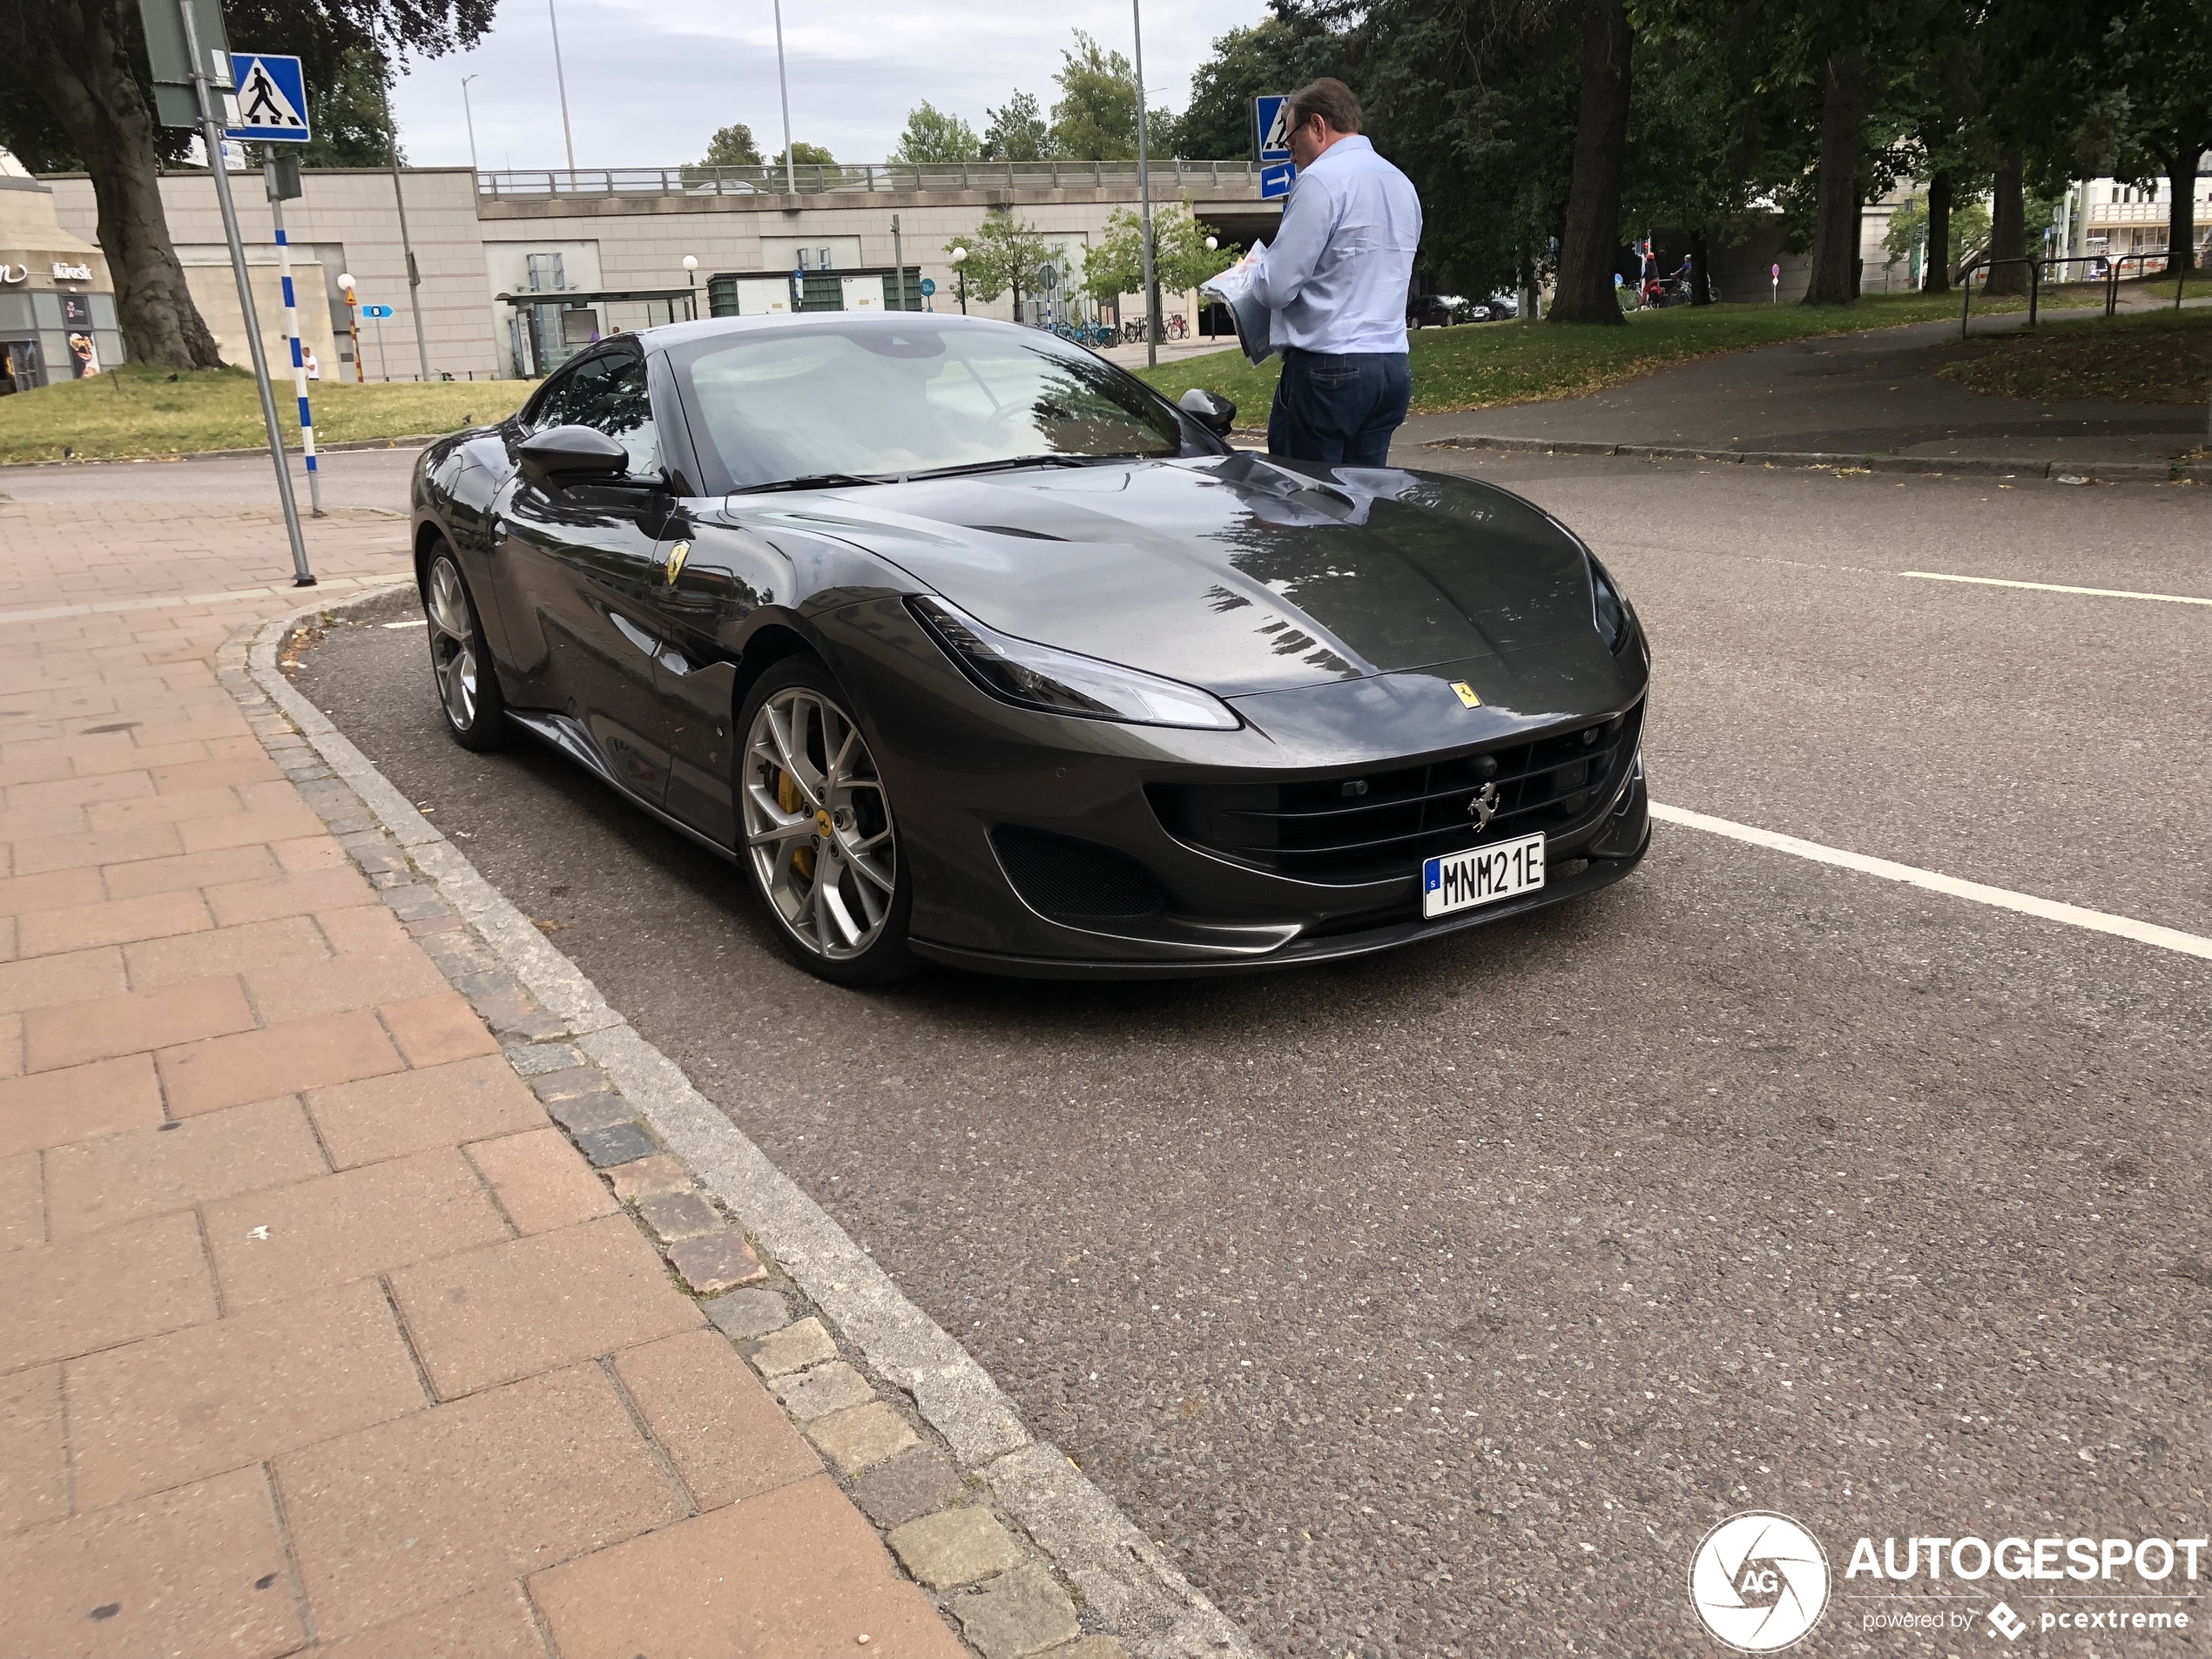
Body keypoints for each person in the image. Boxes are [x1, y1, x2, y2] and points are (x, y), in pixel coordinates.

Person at [1245, 78, 1422, 467]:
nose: (1292, 157)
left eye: (1292, 143)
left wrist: (1253, 271)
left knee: (1308, 504)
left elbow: (1276, 288)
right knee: (1363, 501)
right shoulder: (1402, 184)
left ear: (1318, 127)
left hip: (1329, 369)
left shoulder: (1320, 181)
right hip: (1391, 367)